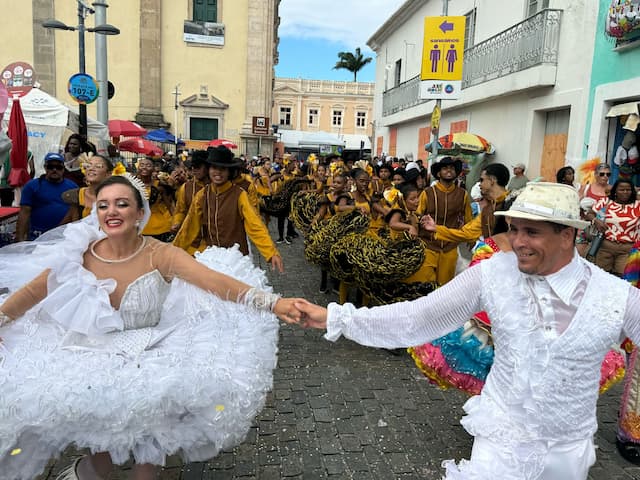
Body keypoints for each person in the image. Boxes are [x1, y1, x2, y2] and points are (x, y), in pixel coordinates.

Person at [293, 181, 640, 479]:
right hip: (498, 438)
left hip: (567, 453)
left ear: (568, 234)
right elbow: (418, 316)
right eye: (514, 228)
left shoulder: (615, 295)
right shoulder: (493, 274)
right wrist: (335, 318)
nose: (517, 241)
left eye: (531, 231)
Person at [0, 174, 303, 479]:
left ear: (140, 214)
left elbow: (215, 283)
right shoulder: (77, 254)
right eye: (103, 205)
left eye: (122, 204)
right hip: (91, 364)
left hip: (150, 363)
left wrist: (274, 303)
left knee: (146, 464)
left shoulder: (161, 254)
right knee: (101, 464)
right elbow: (31, 293)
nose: (112, 212)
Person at [174, 146, 284, 272]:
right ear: (209, 169)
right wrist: (174, 250)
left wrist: (271, 252)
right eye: (214, 167)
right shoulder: (202, 195)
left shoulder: (239, 194)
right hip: (211, 258)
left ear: (229, 171)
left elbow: (255, 225)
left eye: (223, 169)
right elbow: (189, 226)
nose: (218, 172)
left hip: (236, 260)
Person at [417, 156, 472, 285]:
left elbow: (468, 218)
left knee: (445, 286)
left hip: (450, 246)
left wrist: (471, 238)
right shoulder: (427, 193)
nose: (449, 171)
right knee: (425, 284)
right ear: (438, 173)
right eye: (445, 168)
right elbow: (418, 214)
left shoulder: (462, 194)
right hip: (428, 245)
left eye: (452, 168)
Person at [14, 152, 78, 242]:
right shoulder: (32, 186)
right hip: (38, 236)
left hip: (64, 236)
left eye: (58, 167)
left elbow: (76, 214)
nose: (54, 170)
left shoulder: (73, 187)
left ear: (63, 169)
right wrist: (19, 239)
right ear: (45, 167)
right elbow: (24, 213)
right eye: (51, 167)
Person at [584, 179, 640, 276]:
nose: (625, 192)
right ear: (615, 191)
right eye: (621, 190)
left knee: (622, 279)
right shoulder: (606, 201)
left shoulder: (637, 205)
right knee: (601, 277)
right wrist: (596, 221)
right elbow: (589, 214)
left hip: (627, 249)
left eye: (628, 190)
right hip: (605, 246)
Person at [61, 154, 114, 222]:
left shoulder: (115, 198)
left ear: (108, 174)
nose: (91, 169)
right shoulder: (75, 196)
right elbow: (65, 226)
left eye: (98, 166)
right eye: (88, 165)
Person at [170, 150, 209, 234]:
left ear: (208, 167)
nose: (194, 170)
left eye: (198, 167)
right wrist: (177, 223)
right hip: (192, 239)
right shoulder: (186, 187)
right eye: (192, 167)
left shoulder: (217, 187)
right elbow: (180, 211)